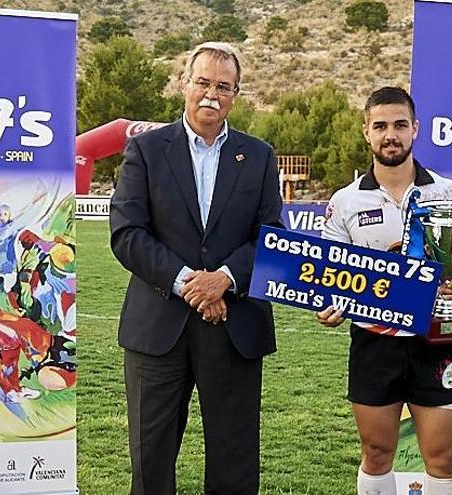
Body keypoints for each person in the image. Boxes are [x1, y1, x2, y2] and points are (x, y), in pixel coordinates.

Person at [110, 41, 283, 494]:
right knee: (151, 461)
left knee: (234, 461)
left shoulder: (259, 155)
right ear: (184, 84)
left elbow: (271, 235)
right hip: (158, 330)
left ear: (236, 94)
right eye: (203, 82)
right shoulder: (146, 150)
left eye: (223, 86)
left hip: (234, 327)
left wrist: (224, 280)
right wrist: (191, 283)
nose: (212, 93)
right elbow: (127, 233)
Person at [317, 87, 452, 495]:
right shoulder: (345, 201)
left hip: (434, 341)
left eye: (400, 125)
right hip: (374, 342)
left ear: (415, 130)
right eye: (381, 126)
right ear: (366, 132)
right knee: (376, 452)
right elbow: (330, 274)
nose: (391, 135)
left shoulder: (449, 193)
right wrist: (328, 303)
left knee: (440, 457)